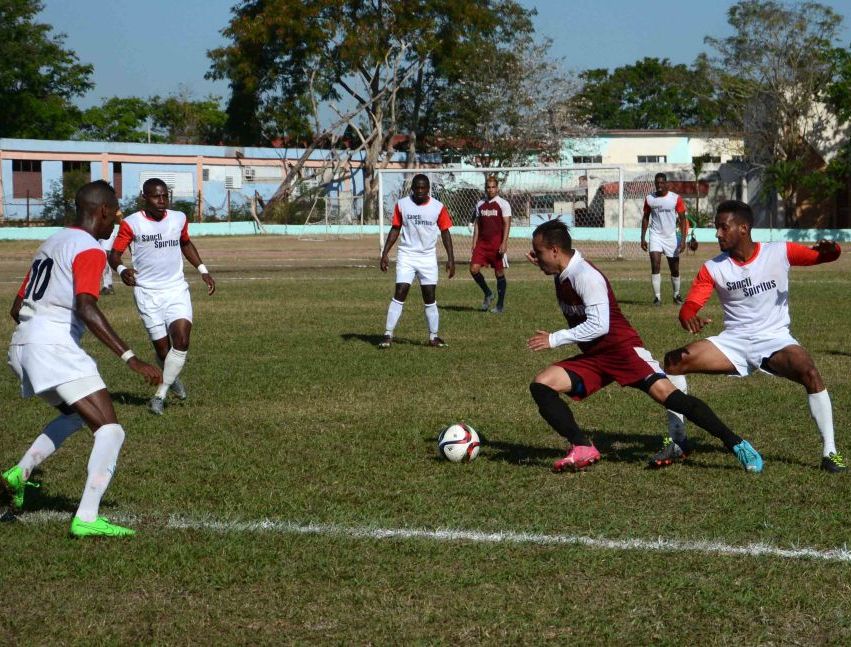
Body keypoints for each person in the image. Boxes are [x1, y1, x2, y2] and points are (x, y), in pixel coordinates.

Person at [526, 219, 763, 473]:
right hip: (595, 356)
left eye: (539, 253)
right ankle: (582, 446)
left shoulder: (585, 275)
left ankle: (736, 443)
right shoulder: (563, 272)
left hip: (622, 351)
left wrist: (554, 338)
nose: (536, 259)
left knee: (672, 398)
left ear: (554, 250)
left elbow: (599, 326)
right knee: (542, 385)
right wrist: (542, 262)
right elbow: (586, 322)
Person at [2, 180, 162, 537]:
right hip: (52, 347)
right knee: (111, 430)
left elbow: (17, 308)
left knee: (75, 417)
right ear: (102, 210)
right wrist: (131, 358)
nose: (118, 219)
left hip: (21, 346)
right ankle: (87, 518)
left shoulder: (51, 243)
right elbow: (86, 308)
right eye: (115, 211)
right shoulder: (88, 248)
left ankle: (19, 473)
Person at [649, 199, 846, 473]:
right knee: (672, 362)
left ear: (743, 228)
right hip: (734, 342)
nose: (717, 233)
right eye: (716, 227)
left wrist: (832, 250)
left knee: (809, 371)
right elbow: (691, 306)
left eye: (722, 227)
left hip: (775, 339)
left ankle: (830, 452)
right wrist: (687, 317)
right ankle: (679, 441)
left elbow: (822, 256)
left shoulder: (779, 252)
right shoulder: (714, 267)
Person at [108, 178, 216, 415]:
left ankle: (159, 395)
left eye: (165, 196)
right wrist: (122, 270)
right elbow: (114, 255)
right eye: (156, 196)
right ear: (144, 197)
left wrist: (203, 271)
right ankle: (171, 377)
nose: (162, 201)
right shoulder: (131, 224)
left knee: (182, 341)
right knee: (163, 352)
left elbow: (186, 244)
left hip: (176, 290)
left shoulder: (178, 218)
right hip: (147, 294)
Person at [379, 174, 455, 348]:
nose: (420, 191)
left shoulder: (438, 207)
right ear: (412, 188)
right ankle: (388, 334)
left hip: (428, 257)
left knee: (429, 296)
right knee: (400, 290)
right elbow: (395, 229)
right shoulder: (402, 204)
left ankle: (433, 337)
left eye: (424, 188)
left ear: (428, 189)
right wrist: (385, 253)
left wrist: (451, 259)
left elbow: (445, 232)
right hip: (407, 255)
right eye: (417, 188)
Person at [640, 172, 688, 305]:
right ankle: (657, 297)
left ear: (666, 183)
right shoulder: (649, 198)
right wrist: (643, 238)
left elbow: (683, 220)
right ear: (655, 184)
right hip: (655, 235)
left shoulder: (675, 198)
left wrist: (683, 240)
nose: (659, 185)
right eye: (657, 183)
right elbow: (645, 218)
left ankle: (676, 295)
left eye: (662, 183)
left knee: (675, 268)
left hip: (671, 237)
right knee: (655, 265)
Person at [470, 176, 511, 313]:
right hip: (482, 243)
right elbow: (477, 225)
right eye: (489, 187)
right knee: (473, 269)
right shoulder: (480, 204)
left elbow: (507, 224)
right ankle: (488, 293)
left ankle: (500, 305)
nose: (491, 189)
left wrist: (504, 242)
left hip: (496, 244)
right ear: (485, 188)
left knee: (499, 272)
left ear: (497, 188)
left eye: (493, 187)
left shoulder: (503, 204)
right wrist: (474, 242)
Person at [99, 212, 120, 295]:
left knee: (104, 258)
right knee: (104, 261)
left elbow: (119, 215)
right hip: (102, 233)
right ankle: (108, 286)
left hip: (108, 232)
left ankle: (107, 286)